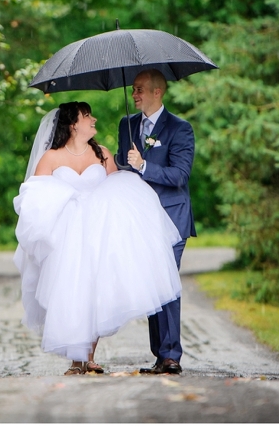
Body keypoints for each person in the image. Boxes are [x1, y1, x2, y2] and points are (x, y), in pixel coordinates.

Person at [13, 101, 183, 375]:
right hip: (66, 234)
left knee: (94, 290)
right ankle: (75, 359)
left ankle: (88, 356)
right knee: (71, 290)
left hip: (97, 232)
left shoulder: (102, 154)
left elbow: (116, 188)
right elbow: (35, 197)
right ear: (73, 124)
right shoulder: (51, 158)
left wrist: (136, 166)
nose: (93, 119)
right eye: (87, 115)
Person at [116, 68, 196, 375]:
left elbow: (179, 176)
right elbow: (123, 169)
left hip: (172, 216)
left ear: (157, 92)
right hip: (141, 218)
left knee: (167, 281)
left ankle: (171, 354)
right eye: (133, 90)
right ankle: (159, 355)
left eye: (139, 89)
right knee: (152, 283)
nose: (134, 94)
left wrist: (145, 165)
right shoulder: (127, 125)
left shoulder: (180, 128)